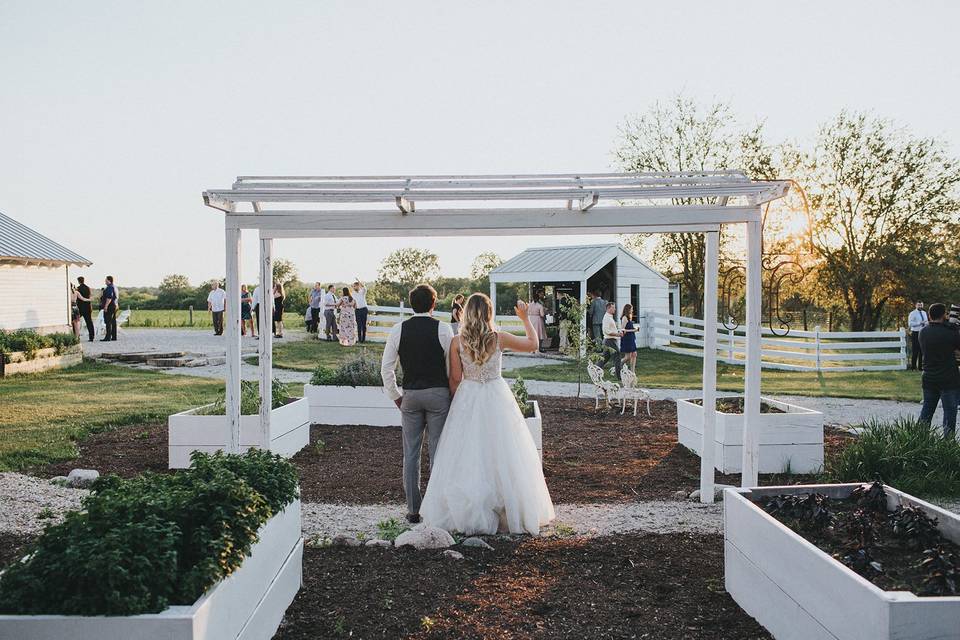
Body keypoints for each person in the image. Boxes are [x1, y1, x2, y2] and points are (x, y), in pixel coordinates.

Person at [420, 293, 555, 535]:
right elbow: (533, 345)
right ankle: (506, 509)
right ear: (489, 313)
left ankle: (469, 511)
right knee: (503, 451)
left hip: (467, 396)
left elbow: (454, 379)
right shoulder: (499, 338)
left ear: (467, 313)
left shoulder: (456, 342)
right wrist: (525, 319)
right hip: (496, 395)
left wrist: (458, 403)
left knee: (468, 453)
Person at [380, 284, 454, 524]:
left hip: (410, 395)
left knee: (410, 454)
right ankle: (436, 509)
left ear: (411, 304)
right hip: (438, 395)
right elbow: (451, 369)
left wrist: (396, 396)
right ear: (434, 304)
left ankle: (413, 510)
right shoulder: (443, 329)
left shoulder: (398, 330)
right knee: (438, 453)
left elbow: (386, 369)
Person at [918, 303, 960, 439]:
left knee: (927, 411)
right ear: (944, 315)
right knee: (949, 413)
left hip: (929, 378)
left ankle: (919, 439)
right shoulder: (950, 333)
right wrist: (955, 328)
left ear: (929, 315)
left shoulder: (923, 332)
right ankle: (948, 444)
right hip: (948, 379)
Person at [600, 301, 623, 380]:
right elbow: (606, 331)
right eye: (613, 307)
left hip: (610, 340)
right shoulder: (606, 318)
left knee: (605, 358)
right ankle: (619, 376)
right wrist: (617, 335)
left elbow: (611, 329)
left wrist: (618, 332)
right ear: (609, 308)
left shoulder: (610, 317)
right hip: (610, 340)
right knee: (617, 357)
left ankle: (595, 370)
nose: (615, 309)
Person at [908, 301, 928, 370]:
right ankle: (913, 367)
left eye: (921, 305)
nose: (920, 306)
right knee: (915, 350)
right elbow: (910, 324)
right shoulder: (912, 313)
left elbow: (926, 321)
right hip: (915, 333)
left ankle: (920, 367)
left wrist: (926, 324)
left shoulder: (924, 313)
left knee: (921, 351)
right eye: (919, 305)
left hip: (923, 333)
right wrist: (919, 323)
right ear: (916, 305)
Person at [620, 303, 638, 372]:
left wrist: (634, 329)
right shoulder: (624, 318)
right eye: (631, 309)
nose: (632, 310)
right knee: (627, 357)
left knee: (634, 354)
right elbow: (623, 329)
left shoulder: (629, 317)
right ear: (628, 309)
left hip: (631, 338)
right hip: (627, 339)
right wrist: (633, 330)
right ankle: (618, 365)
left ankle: (632, 372)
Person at [75, 276, 94, 341]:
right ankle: (91, 337)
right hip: (88, 307)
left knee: (76, 322)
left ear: (78, 281)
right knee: (89, 322)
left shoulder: (78, 289)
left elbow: (77, 298)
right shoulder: (88, 288)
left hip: (80, 308)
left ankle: (76, 336)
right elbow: (90, 297)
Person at [100, 275, 118, 341]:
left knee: (108, 322)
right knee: (113, 321)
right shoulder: (113, 287)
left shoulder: (109, 287)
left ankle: (107, 337)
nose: (105, 281)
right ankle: (114, 337)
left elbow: (109, 297)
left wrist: (106, 306)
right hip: (113, 306)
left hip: (109, 306)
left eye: (106, 280)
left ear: (109, 280)